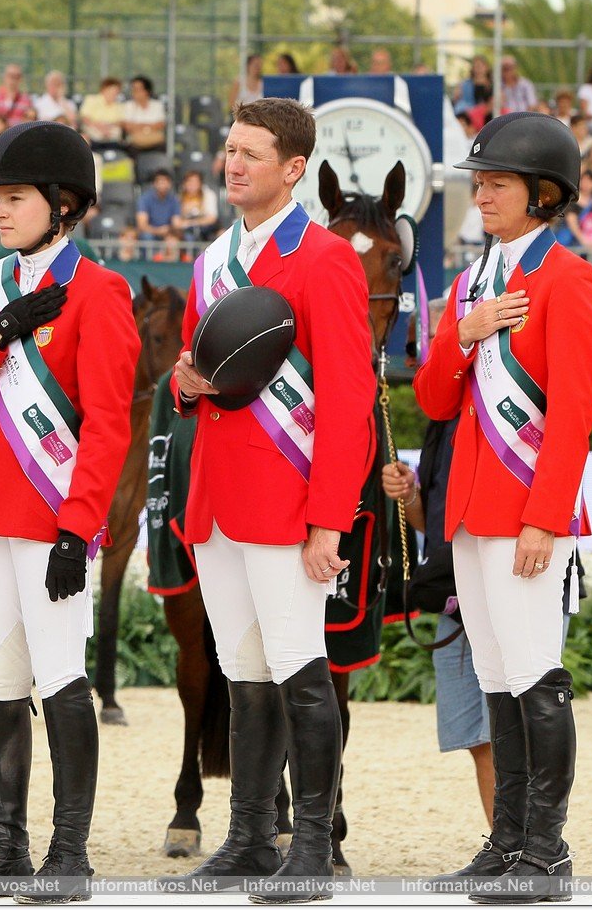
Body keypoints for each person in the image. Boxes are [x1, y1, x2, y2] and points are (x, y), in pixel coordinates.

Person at [0, 121, 139, 903]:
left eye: (14, 198)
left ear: (64, 203)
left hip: (50, 518)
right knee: (0, 683)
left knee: (59, 680)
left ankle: (70, 853)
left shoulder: (102, 292)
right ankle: (7, 850)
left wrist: (78, 526)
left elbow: (109, 422)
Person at [168, 97, 375, 901]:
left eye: (250, 153)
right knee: (244, 673)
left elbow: (351, 394)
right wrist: (185, 388)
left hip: (290, 505)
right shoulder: (211, 258)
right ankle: (251, 836)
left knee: (300, 670)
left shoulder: (325, 258)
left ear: (293, 169)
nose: (233, 163)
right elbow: (195, 373)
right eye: (228, 149)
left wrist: (331, 516)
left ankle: (314, 845)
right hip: (217, 503)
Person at [414, 111, 592, 900]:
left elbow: (571, 411)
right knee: (497, 679)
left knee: (534, 676)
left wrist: (544, 515)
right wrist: (463, 332)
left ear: (542, 193)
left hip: (528, 511)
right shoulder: (471, 284)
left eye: (496, 183)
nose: (482, 194)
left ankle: (549, 851)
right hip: (468, 511)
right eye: (480, 182)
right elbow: (432, 395)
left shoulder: (570, 278)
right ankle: (505, 843)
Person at [380, 316, 499, 844]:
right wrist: (408, 496)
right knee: (480, 735)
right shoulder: (440, 424)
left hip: (504, 582)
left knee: (516, 726)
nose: (418, 364)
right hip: (455, 589)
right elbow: (436, 523)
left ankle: (532, 848)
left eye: (421, 352)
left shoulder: (499, 401)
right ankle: (504, 845)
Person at [136, 169, 182, 258]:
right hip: (150, 232)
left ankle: (170, 268)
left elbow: (176, 222)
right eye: (159, 182)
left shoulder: (174, 200)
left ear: (170, 184)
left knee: (174, 241)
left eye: (165, 182)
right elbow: (142, 225)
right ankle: (150, 264)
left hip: (168, 232)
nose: (162, 185)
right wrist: (158, 231)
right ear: (154, 184)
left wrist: (169, 231)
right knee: (147, 237)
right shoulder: (145, 199)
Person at [173, 169, 220, 248]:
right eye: (189, 182)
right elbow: (176, 222)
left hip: (207, 229)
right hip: (186, 231)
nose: (192, 185)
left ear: (200, 183)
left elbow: (212, 219)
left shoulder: (208, 194)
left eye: (195, 182)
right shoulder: (179, 196)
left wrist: (192, 223)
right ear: (184, 183)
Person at [0, 64, 36, 135]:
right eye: (10, 76)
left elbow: (29, 122)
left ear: (20, 79)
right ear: (4, 76)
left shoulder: (26, 100)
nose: (13, 80)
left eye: (17, 76)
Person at [122, 75, 166, 152]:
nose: (135, 92)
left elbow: (160, 124)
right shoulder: (128, 106)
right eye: (133, 89)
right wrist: (149, 126)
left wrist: (139, 126)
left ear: (146, 91)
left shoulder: (157, 105)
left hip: (155, 141)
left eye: (138, 89)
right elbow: (127, 126)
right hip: (135, 143)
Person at [79, 77, 126, 146]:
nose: (113, 94)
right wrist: (99, 126)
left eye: (116, 92)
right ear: (103, 89)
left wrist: (108, 127)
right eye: (111, 90)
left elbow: (120, 121)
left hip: (110, 128)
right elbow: (84, 118)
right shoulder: (91, 99)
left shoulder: (118, 105)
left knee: (117, 132)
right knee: (93, 133)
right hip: (93, 127)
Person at [455, 56, 495, 128]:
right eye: (476, 66)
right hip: (469, 113)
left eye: (480, 66)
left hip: (487, 114)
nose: (478, 69)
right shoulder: (465, 84)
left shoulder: (493, 85)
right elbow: (459, 101)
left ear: (487, 68)